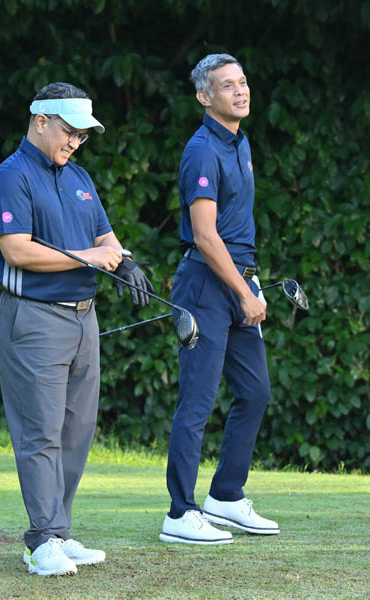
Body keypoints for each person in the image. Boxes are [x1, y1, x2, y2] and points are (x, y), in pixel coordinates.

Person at [0, 82, 152, 575]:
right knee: (41, 432)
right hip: (34, 318)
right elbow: (17, 250)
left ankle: (58, 530)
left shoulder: (78, 177)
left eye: (82, 135)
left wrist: (123, 261)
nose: (75, 142)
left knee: (76, 430)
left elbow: (105, 238)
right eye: (69, 131)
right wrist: (91, 257)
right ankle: (40, 539)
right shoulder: (11, 177)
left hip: (84, 318)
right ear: (41, 122)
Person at [159, 53, 279, 545]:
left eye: (242, 81)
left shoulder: (240, 141)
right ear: (204, 97)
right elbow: (206, 236)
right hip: (207, 284)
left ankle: (226, 496)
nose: (240, 90)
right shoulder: (202, 150)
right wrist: (243, 291)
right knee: (198, 401)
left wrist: (249, 285)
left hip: (237, 279)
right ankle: (179, 512)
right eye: (227, 85)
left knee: (255, 392)